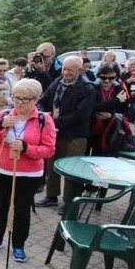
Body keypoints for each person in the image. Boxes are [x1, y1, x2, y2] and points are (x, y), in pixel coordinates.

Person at [0, 79, 56, 262]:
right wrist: (0, 125)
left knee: (22, 211)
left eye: (25, 99)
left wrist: (26, 148)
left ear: (36, 99)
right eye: (17, 98)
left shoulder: (43, 119)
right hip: (2, 169)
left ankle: (19, 245)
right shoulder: (4, 114)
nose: (20, 103)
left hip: (28, 174)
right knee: (0, 208)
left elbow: (49, 149)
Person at [35, 56, 96, 212]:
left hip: (74, 135)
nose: (66, 72)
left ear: (80, 70)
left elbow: (81, 114)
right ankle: (51, 196)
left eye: (70, 69)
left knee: (72, 170)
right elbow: (42, 100)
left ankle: (69, 201)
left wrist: (54, 122)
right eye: (64, 69)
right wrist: (42, 113)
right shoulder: (57, 82)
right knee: (52, 166)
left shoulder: (87, 88)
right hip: (54, 133)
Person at [88, 63, 129, 156]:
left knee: (108, 159)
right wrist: (116, 100)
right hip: (92, 128)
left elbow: (126, 110)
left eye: (111, 78)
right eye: (103, 78)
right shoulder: (92, 87)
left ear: (116, 77)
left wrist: (111, 115)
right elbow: (92, 106)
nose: (107, 81)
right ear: (98, 76)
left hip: (111, 129)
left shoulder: (119, 88)